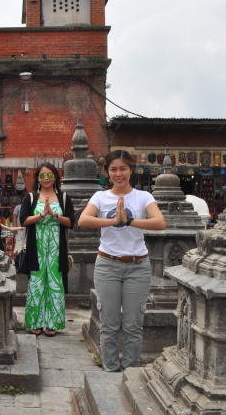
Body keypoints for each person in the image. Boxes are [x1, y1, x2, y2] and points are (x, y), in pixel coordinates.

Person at [78, 150, 165, 372]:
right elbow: (83, 220)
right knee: (109, 323)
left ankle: (130, 370)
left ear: (131, 170)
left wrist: (130, 221)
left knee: (133, 324)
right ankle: (110, 369)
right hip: (108, 264)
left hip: (138, 266)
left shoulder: (143, 197)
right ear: (107, 172)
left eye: (123, 168)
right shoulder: (100, 197)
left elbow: (159, 223)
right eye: (114, 169)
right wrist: (114, 220)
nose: (119, 174)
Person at [19, 163, 75, 337]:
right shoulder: (30, 197)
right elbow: (23, 221)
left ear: (55, 178)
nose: (46, 179)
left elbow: (71, 222)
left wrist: (55, 215)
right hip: (36, 247)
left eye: (50, 175)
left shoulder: (64, 197)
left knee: (55, 284)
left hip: (57, 247)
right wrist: (42, 215)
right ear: (37, 178)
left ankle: (52, 324)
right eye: (42, 175)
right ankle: (34, 322)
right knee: (36, 283)